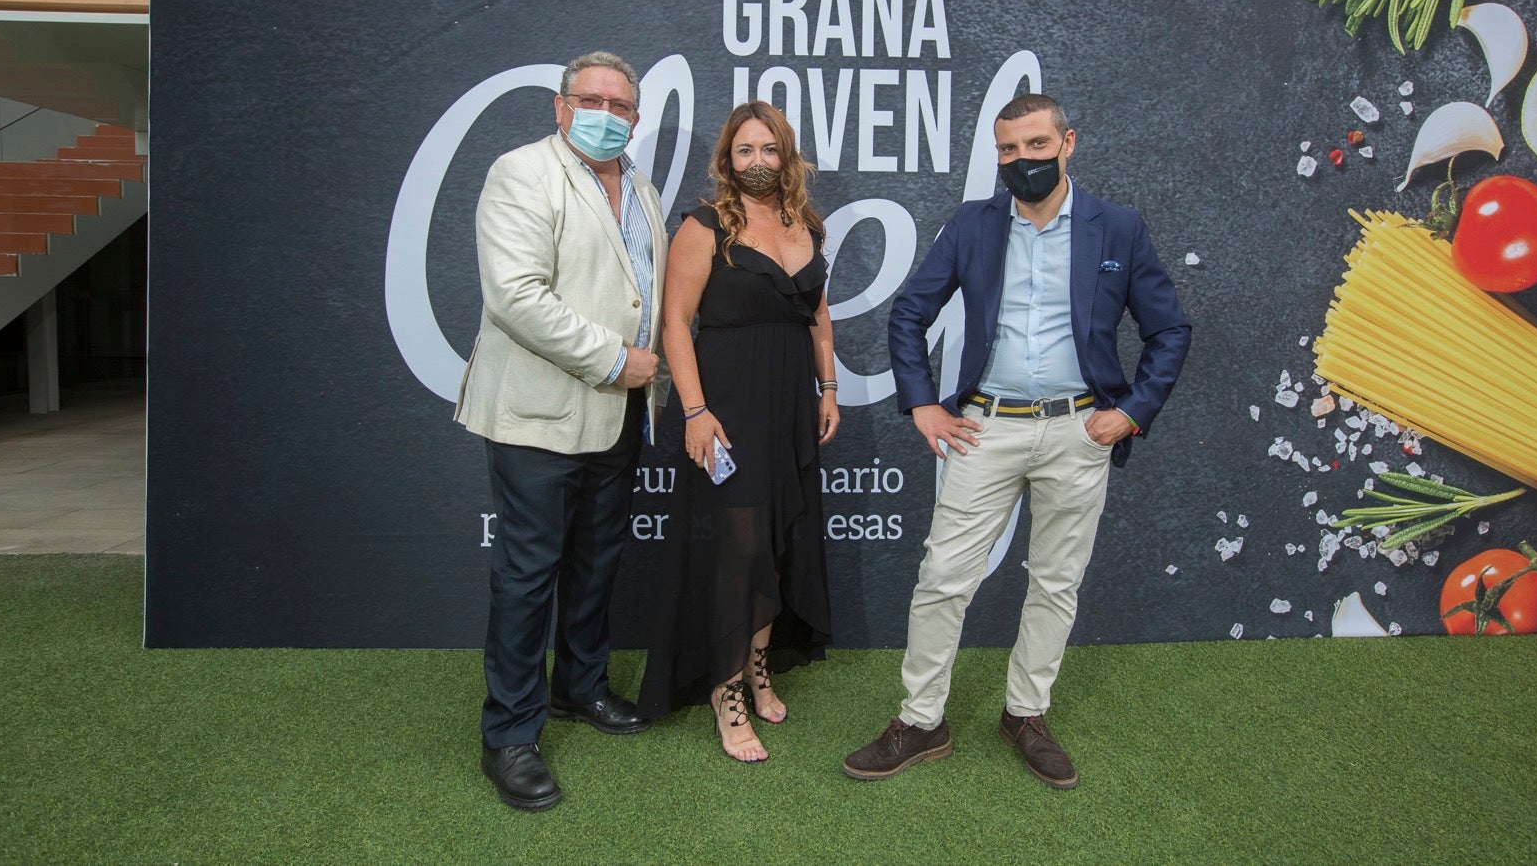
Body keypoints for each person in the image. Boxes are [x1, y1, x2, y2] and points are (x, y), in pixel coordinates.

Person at [843, 92, 1190, 789]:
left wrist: (1132, 412)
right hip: (985, 427)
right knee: (943, 577)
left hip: (1079, 428)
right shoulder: (972, 225)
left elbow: (1169, 330)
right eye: (1008, 149)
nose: (1021, 160)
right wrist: (922, 403)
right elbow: (910, 312)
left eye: (1035, 145)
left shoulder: (1117, 228)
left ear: (1068, 143)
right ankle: (920, 720)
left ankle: (1026, 713)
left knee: (1056, 582)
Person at [455, 51, 668, 813]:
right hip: (540, 415)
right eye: (592, 98)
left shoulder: (641, 188)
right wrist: (615, 359)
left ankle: (580, 688)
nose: (607, 112)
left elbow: (640, 293)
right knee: (528, 573)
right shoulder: (521, 173)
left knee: (597, 562)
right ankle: (509, 734)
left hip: (616, 418)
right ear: (560, 105)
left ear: (637, 118)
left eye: (621, 104)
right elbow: (516, 296)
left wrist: (640, 374)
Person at [636, 100, 839, 763]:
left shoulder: (806, 222)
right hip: (726, 403)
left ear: (788, 155)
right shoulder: (703, 225)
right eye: (744, 149)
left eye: (769, 149)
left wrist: (828, 386)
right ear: (728, 157)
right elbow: (675, 324)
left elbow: (817, 315)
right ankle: (725, 689)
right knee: (740, 545)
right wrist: (694, 411)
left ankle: (757, 668)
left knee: (776, 540)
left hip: (790, 402)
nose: (757, 160)